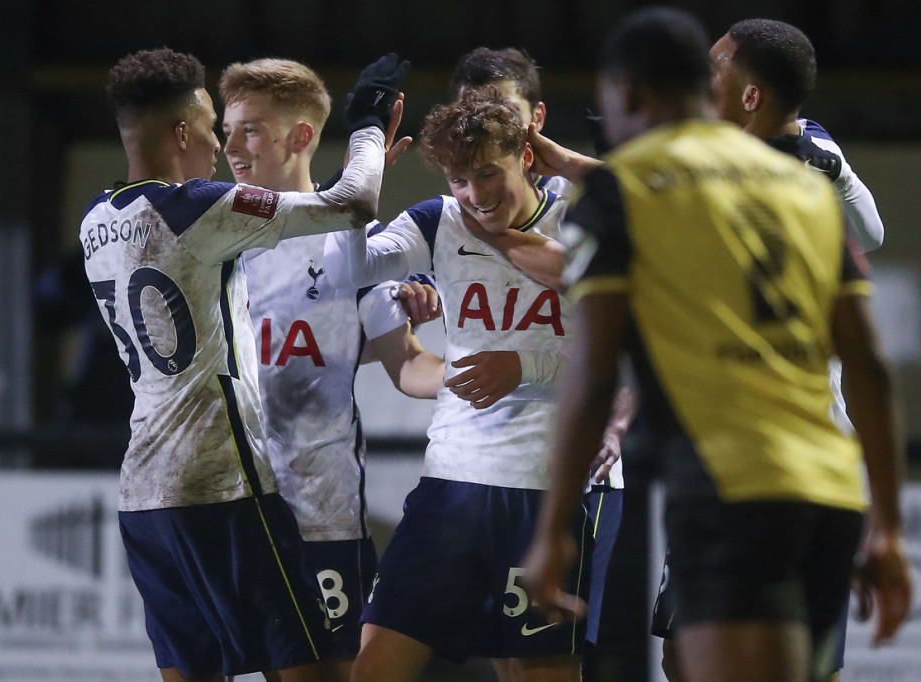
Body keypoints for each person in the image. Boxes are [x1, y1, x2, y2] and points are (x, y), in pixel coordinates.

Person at [519, 8, 912, 682]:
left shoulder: (624, 189)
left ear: (626, 90)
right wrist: (889, 524)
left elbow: (593, 368)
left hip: (731, 482)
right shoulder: (806, 188)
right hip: (829, 488)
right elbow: (871, 365)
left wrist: (553, 526)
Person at [82, 47, 404, 681]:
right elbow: (355, 202)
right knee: (308, 669)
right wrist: (366, 126)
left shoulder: (96, 219)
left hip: (142, 494)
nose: (219, 146)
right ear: (181, 134)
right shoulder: (198, 206)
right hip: (223, 483)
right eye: (211, 129)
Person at [653, 19, 891, 680]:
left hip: (801, 447)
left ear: (751, 95)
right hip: (718, 448)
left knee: (802, 658)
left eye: (716, 66)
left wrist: (834, 169)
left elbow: (871, 234)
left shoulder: (807, 166)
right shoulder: (700, 157)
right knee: (681, 652)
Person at [327, 88, 591, 682]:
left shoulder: (578, 220)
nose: (475, 195)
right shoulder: (437, 220)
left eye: (489, 173)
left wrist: (524, 367)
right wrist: (358, 189)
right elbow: (352, 267)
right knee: (373, 669)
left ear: (527, 155)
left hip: (542, 486)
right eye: (460, 180)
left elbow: (614, 357)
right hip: (449, 483)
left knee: (539, 674)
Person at [217, 57, 443, 682]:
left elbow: (408, 365)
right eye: (227, 131)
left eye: (250, 130)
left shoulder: (350, 243)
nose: (230, 147)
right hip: (233, 507)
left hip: (320, 513)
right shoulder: (212, 237)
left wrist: (506, 379)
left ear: (301, 136)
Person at [449, 47, 632, 665]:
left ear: (536, 123)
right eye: (471, 114)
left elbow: (633, 327)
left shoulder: (589, 207)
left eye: (503, 112)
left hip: (571, 470)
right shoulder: (458, 213)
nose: (485, 126)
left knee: (549, 659)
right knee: (505, 657)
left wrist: (617, 421)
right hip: (484, 469)